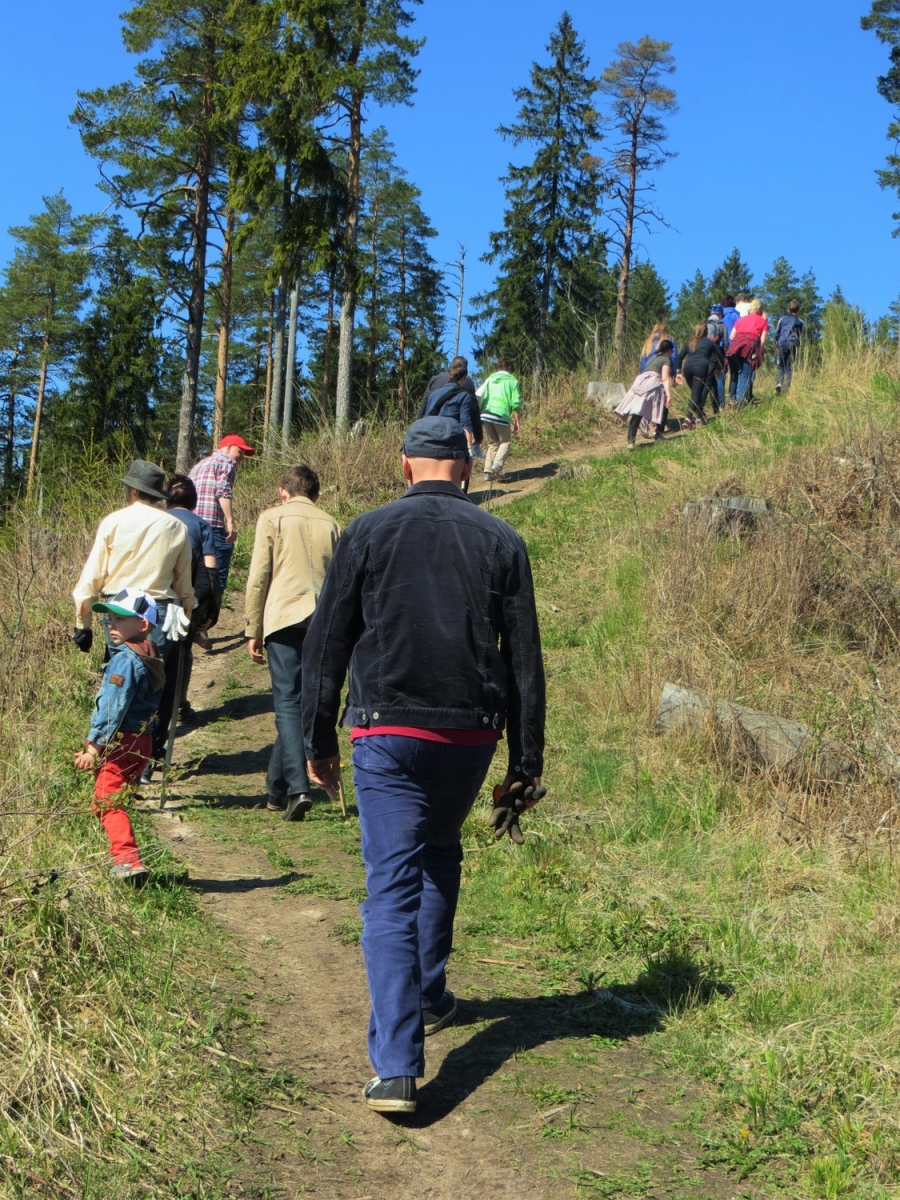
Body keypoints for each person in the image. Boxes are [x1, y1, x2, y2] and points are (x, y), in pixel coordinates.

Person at [301, 416, 546, 1115]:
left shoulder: (368, 532)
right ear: (465, 467)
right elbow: (524, 658)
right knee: (439, 851)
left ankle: (399, 1067)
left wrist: (318, 744)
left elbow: (326, 646)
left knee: (389, 887)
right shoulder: (502, 539)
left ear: (404, 464)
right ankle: (430, 991)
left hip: (387, 729)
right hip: (472, 735)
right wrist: (524, 763)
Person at [246, 465, 341, 821]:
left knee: (287, 701)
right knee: (304, 702)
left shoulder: (272, 518)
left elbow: (259, 576)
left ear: (283, 491)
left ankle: (298, 788)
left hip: (284, 616)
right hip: (321, 620)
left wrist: (252, 627)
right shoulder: (329, 522)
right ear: (316, 494)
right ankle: (277, 787)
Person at [74, 589, 166, 886]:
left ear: (143, 624)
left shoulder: (125, 660)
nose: (111, 624)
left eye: (120, 619)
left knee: (106, 801)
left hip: (119, 740)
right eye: (110, 618)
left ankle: (127, 860)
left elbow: (114, 705)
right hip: (143, 741)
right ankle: (126, 858)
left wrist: (94, 746)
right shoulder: (152, 654)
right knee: (115, 798)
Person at [140, 475, 221, 782]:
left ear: (166, 499)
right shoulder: (200, 526)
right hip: (179, 607)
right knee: (172, 673)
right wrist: (209, 609)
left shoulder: (155, 521)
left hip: (141, 607)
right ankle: (155, 745)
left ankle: (137, 755)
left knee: (144, 674)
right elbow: (210, 572)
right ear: (194, 501)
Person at [72, 459, 194, 664]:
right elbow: (183, 581)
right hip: (156, 610)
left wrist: (83, 625)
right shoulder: (176, 526)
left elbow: (91, 577)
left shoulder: (113, 521)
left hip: (119, 608)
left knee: (120, 676)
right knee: (152, 677)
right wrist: (186, 615)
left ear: (134, 491)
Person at [189, 434, 255, 593]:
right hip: (212, 527)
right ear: (229, 447)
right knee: (216, 581)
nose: (242, 457)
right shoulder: (226, 462)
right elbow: (223, 491)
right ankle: (210, 613)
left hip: (191, 526)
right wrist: (230, 521)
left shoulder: (199, 465)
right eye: (240, 451)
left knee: (193, 577)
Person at [616, 339, 674, 447]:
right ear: (669, 351)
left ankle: (630, 441)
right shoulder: (666, 360)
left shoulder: (652, 358)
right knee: (664, 408)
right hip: (652, 383)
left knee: (638, 411)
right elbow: (665, 378)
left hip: (640, 383)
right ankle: (659, 436)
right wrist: (668, 395)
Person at [477, 356, 521, 483]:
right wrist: (517, 421)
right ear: (510, 369)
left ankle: (487, 472)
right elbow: (516, 403)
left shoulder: (490, 378)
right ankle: (497, 465)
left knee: (493, 443)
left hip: (486, 414)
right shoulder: (512, 381)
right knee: (505, 442)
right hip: (501, 415)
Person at [676, 323, 725, 425]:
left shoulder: (689, 342)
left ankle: (699, 417)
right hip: (701, 368)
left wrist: (678, 371)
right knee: (696, 394)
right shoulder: (709, 343)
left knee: (696, 392)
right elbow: (720, 356)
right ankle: (688, 418)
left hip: (687, 368)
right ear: (705, 331)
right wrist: (720, 368)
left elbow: (679, 357)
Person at [727, 299, 768, 406]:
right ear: (760, 309)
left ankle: (731, 399)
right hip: (748, 349)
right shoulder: (762, 321)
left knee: (734, 374)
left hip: (734, 348)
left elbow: (731, 336)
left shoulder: (740, 320)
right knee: (745, 375)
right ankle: (739, 402)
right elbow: (762, 340)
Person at [773, 300, 804, 394]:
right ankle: (788, 387)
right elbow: (801, 334)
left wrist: (776, 341)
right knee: (789, 367)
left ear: (788, 309)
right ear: (798, 310)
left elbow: (777, 332)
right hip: (792, 344)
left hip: (782, 343)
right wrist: (798, 344)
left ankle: (779, 383)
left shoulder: (782, 319)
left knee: (781, 366)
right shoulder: (800, 321)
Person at [706, 304, 729, 411]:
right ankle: (721, 403)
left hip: (706, 354)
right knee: (720, 378)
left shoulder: (705, 325)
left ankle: (712, 403)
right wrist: (726, 358)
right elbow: (725, 343)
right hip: (718, 353)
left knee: (708, 378)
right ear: (720, 314)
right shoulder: (722, 325)